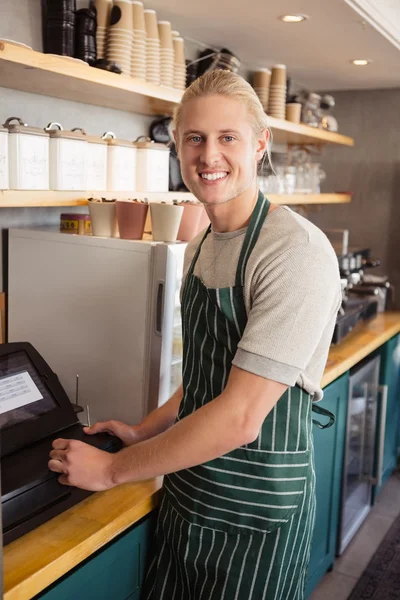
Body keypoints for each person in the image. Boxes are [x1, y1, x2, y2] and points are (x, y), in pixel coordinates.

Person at [49, 69, 341, 599]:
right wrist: (146, 431)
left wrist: (115, 469)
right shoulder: (203, 242)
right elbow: (206, 373)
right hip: (189, 492)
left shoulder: (293, 251)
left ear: (260, 144)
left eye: (227, 137)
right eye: (195, 138)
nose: (209, 156)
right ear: (178, 147)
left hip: (254, 515)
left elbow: (239, 416)